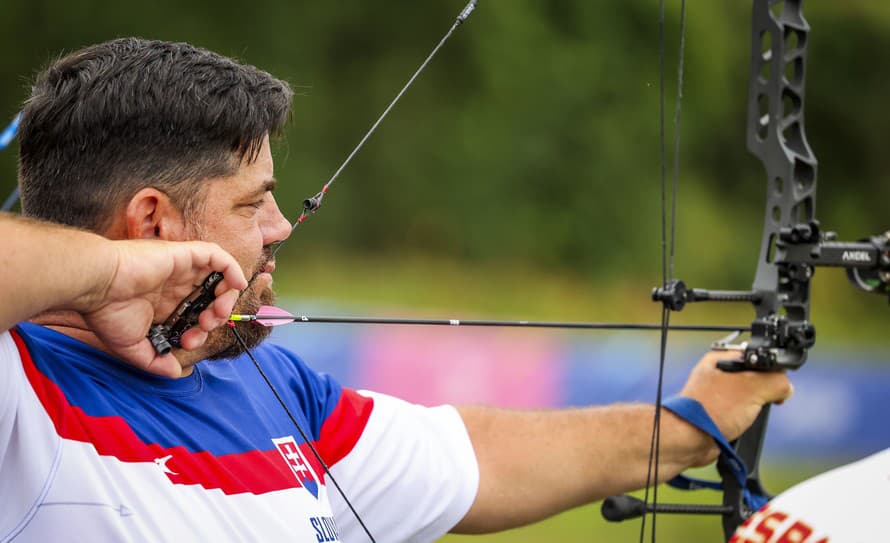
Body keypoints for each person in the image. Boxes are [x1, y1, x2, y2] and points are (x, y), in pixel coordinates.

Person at [0, 38, 793, 542]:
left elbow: (476, 456)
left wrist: (690, 425)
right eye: (252, 203)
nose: (281, 226)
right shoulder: (21, 396)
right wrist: (107, 275)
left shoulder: (272, 389)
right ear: (151, 224)